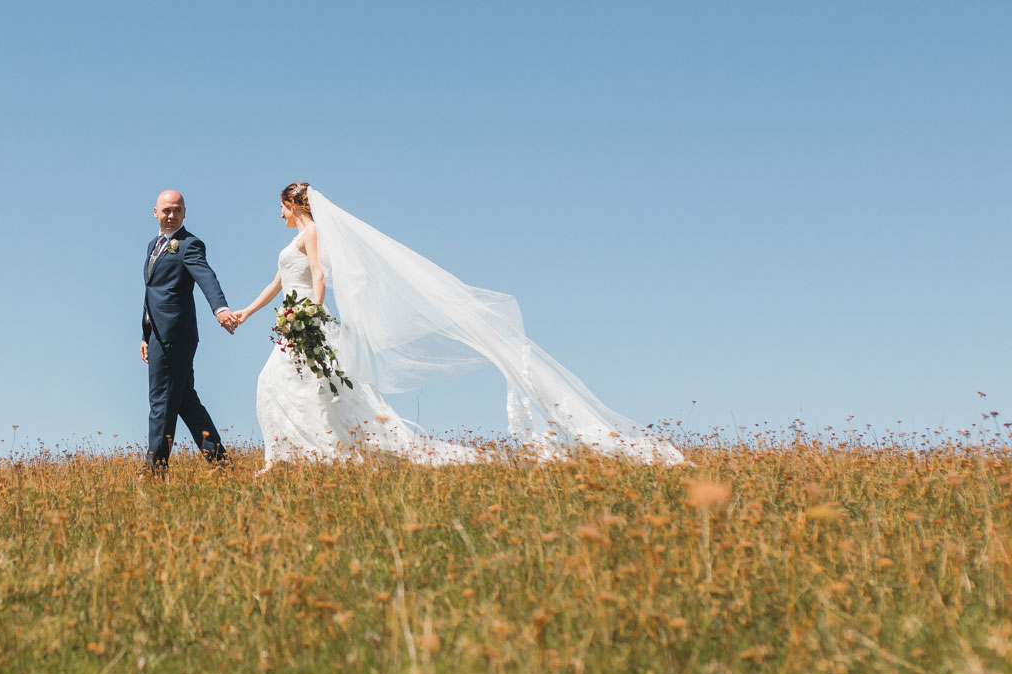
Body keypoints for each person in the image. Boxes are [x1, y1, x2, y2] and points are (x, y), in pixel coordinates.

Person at [220, 182, 684, 471]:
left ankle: (317, 453)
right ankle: (300, 454)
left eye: (280, 208)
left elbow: (318, 277)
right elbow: (279, 282)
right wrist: (245, 311)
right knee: (285, 387)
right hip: (291, 321)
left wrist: (312, 316)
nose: (278, 215)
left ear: (291, 203)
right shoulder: (293, 242)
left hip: (306, 323)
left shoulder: (313, 234)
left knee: (301, 387)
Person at [140, 189, 233, 470]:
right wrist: (145, 336)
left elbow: (206, 276)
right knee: (183, 400)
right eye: (166, 210)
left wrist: (220, 308)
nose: (171, 215)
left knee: (161, 401)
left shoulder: (189, 245)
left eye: (177, 210)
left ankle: (155, 469)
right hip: (157, 334)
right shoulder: (152, 246)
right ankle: (220, 461)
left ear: (184, 213)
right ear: (154, 212)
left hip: (175, 336)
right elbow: (152, 293)